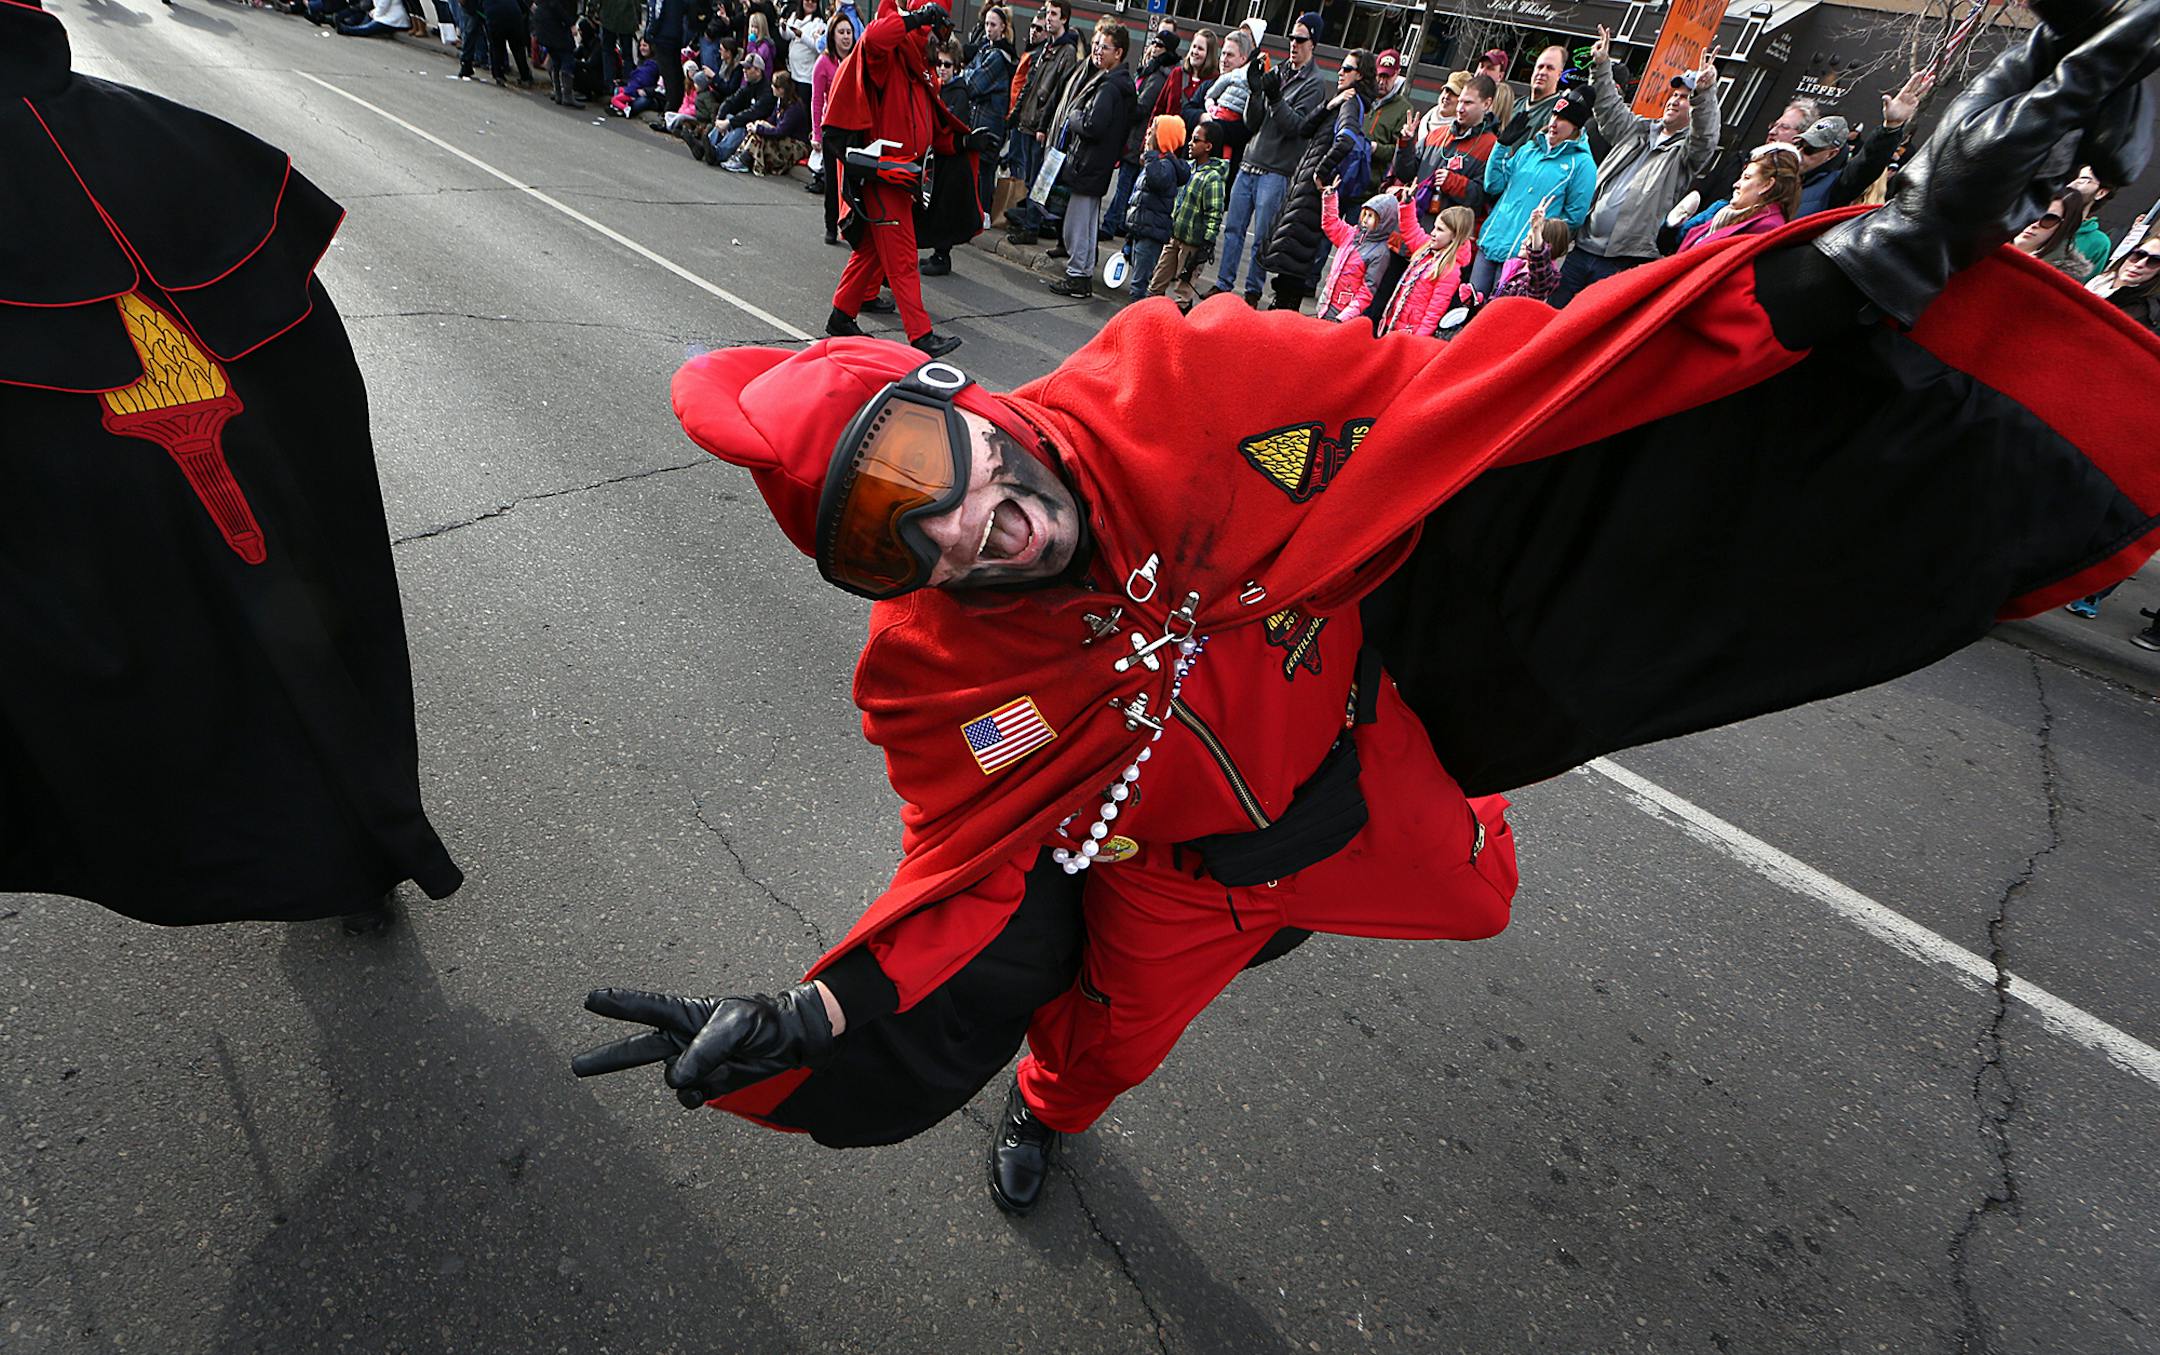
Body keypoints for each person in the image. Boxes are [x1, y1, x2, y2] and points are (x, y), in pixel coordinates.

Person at [576, 0, 2160, 1220]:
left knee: (1493, 851)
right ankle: (1049, 1111)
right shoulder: (929, 675)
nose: (960, 525)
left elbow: (1506, 388)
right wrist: (819, 1009)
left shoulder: (1189, 374)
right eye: (889, 542)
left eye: (925, 464)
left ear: (959, 399)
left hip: (1368, 766)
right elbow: (967, 864)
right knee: (1111, 1038)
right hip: (1179, 882)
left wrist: (1879, 254)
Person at [2, 0, 466, 931]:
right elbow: (320, 388)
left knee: (180, 663)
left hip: (90, 509)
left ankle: (298, 851)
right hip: (262, 462)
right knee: (305, 628)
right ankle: (362, 839)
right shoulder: (173, 142)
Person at [823, 0, 975, 357]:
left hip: (905, 175)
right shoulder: (888, 56)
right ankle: (920, 335)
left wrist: (965, 142)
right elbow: (874, 36)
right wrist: (917, 18)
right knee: (902, 257)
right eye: (932, 29)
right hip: (884, 173)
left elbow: (931, 127)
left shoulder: (919, 68)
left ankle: (841, 315)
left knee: (873, 251)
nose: (937, 40)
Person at [1549, 31, 1718, 307]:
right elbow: (1607, 107)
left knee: (1590, 321)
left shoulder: (1686, 154)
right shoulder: (1637, 128)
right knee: (1550, 312)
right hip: (1581, 248)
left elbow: (1705, 137)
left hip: (1622, 261)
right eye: (1674, 94)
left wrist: (1705, 94)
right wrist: (1601, 65)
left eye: (1685, 97)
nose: (1675, 100)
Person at [1211, 13, 1326, 304]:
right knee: (1233, 230)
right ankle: (1223, 286)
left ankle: (1252, 292)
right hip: (1251, 160)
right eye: (1292, 38)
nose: (1293, 44)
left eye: (1300, 39)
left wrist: (1274, 98)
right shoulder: (1279, 70)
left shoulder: (1314, 83)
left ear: (1313, 43)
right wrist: (1255, 92)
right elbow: (1251, 122)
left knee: (1262, 238)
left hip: (1276, 170)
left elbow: (1297, 127)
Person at [1256, 45, 1376, 313]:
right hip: (1306, 193)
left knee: (1293, 261)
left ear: (1360, 75)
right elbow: (1305, 128)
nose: (1340, 72)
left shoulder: (1351, 103)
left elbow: (1346, 140)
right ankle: (1282, 312)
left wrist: (1320, 173)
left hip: (1311, 196)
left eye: (1347, 69)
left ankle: (1282, 317)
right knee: (1292, 258)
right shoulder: (1343, 101)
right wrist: (1328, 105)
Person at [1042, 18, 1138, 302]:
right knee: (1083, 223)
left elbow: (1093, 126)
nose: (1097, 50)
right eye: (1096, 45)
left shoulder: (1110, 87)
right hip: (1095, 165)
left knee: (1078, 224)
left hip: (1089, 164)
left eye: (1104, 47)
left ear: (1118, 53)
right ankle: (1079, 274)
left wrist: (1075, 117)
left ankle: (1078, 277)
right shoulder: (1117, 83)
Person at [1474, 88, 1595, 298]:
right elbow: (1493, 185)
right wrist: (1501, 147)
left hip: (1523, 258)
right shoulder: (1529, 149)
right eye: (1554, 115)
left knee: (1497, 313)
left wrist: (1538, 244)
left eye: (1563, 119)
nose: (1554, 123)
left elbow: (1573, 218)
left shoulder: (1582, 164)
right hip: (1491, 242)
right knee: (1468, 305)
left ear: (1576, 126)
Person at [1791, 69, 1930, 217]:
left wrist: (1891, 127)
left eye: (1810, 150)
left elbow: (1867, 164)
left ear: (1831, 154)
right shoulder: (1780, 170)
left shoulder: (1833, 187)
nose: (1799, 153)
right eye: (1799, 145)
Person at [1003, 0, 1082, 246]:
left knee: (1039, 181)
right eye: (1048, 13)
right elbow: (1030, 83)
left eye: (1054, 14)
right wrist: (1016, 114)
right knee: (1030, 179)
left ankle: (1031, 228)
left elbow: (1059, 92)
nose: (1049, 18)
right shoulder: (1048, 46)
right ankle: (1028, 222)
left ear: (1064, 18)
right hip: (1028, 120)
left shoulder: (1067, 52)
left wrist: (1044, 126)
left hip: (1040, 125)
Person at [1105, 23, 1182, 240]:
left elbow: (1142, 107)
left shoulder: (1159, 76)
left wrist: (1126, 104)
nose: (1154, 48)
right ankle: (1119, 222)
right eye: (1153, 43)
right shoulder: (1151, 70)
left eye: (1159, 45)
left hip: (1138, 137)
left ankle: (1112, 223)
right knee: (1127, 184)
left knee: (1125, 184)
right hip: (1136, 135)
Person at [1149, 118, 1228, 308]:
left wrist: (1207, 243)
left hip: (1193, 244)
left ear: (1208, 146)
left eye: (1196, 140)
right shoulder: (1186, 168)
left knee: (1183, 289)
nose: (1190, 144)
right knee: (1157, 281)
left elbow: (1214, 213)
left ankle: (1182, 313)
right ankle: (1152, 312)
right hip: (1174, 236)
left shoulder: (1213, 178)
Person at [1675, 143, 1803, 252]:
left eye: (1746, 178)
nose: (1736, 184)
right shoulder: (1729, 214)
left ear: (1767, 185)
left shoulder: (1766, 228)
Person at [1375, 201, 1475, 337]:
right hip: (1394, 323)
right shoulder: (1427, 248)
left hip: (1411, 334)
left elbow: (1434, 313)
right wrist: (1407, 204)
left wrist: (1419, 339)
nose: (1433, 233)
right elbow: (1411, 230)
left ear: (1454, 236)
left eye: (1440, 230)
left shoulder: (1450, 271)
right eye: (1434, 227)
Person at [1123, 114, 1190, 302]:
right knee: (1139, 277)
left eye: (1153, 131)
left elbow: (1156, 181)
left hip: (1151, 233)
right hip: (1142, 228)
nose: (1148, 134)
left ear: (1162, 138)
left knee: (1139, 284)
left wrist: (1150, 157)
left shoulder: (1164, 166)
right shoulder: (1156, 163)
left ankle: (1138, 314)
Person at [1315, 185, 1399, 324]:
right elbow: (1331, 224)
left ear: (1384, 221)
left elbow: (1367, 290)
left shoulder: (1380, 253)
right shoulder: (1350, 234)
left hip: (1343, 313)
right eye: (1365, 214)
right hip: (1325, 303)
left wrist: (1345, 316)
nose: (1365, 219)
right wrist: (1330, 198)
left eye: (1371, 216)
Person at [811, 13, 856, 241]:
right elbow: (817, 100)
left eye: (849, 32)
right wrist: (816, 134)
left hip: (854, 128)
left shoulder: (858, 60)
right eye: (841, 32)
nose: (846, 37)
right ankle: (831, 225)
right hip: (832, 129)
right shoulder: (824, 63)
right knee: (832, 181)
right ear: (832, 36)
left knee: (852, 179)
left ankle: (851, 226)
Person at [696, 51, 774, 164]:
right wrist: (720, 118)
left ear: (758, 71)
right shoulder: (748, 86)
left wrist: (729, 122)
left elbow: (753, 113)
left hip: (758, 129)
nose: (744, 71)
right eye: (744, 68)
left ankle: (718, 154)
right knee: (728, 116)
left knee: (739, 128)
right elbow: (730, 101)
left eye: (748, 68)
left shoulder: (767, 92)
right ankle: (705, 148)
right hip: (745, 122)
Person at [729, 68, 812, 173]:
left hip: (796, 145)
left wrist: (759, 129)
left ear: (781, 89)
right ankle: (741, 157)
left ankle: (744, 160)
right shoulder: (780, 101)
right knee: (756, 132)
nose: (771, 87)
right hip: (784, 138)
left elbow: (781, 132)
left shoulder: (794, 107)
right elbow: (772, 120)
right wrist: (761, 124)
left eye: (774, 86)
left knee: (758, 136)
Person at [2086, 224, 2160, 334]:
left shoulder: (2143, 311)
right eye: (2139, 254)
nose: (2139, 264)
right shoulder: (2099, 281)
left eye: (2154, 261)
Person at [1489, 204, 1570, 303]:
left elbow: (1539, 266)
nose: (1523, 241)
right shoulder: (1515, 266)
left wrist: (1536, 232)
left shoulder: (1544, 279)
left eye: (1531, 238)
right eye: (1526, 236)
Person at [2011, 188, 2096, 278]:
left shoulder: (2058, 277)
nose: (2033, 224)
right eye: (2030, 213)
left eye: (2049, 219)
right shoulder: (1999, 244)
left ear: (2065, 226)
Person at [1495, 44, 1567, 148]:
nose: (1542, 72)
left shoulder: (1559, 113)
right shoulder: (1515, 105)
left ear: (1559, 75)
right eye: (1540, 67)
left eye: (1550, 68)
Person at [1363, 49, 1411, 184]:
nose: (1382, 82)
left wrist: (1375, 148)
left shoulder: (1403, 109)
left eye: (1387, 77)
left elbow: (1398, 152)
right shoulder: (1361, 96)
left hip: (1372, 182)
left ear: (1397, 74)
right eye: (1380, 76)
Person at [2067, 165, 2118, 273]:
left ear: (2101, 193)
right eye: (2072, 179)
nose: (2071, 185)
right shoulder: (2035, 219)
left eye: (2083, 179)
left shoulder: (2099, 242)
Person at [533, 0, 583, 104]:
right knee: (567, 59)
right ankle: (567, 95)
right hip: (554, 24)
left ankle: (558, 93)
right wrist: (571, 24)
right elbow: (556, 5)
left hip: (545, 22)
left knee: (556, 58)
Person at [782, 0, 825, 85]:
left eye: (814, 1)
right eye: (807, 0)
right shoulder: (794, 16)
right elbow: (788, 36)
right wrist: (783, 28)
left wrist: (801, 35)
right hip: (792, 70)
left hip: (806, 75)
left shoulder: (818, 23)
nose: (810, 2)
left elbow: (817, 47)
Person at [1473, 47, 1515, 131]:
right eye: (1481, 66)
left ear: (1500, 76)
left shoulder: (1501, 96)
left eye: (1490, 68)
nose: (1482, 72)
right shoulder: (1465, 90)